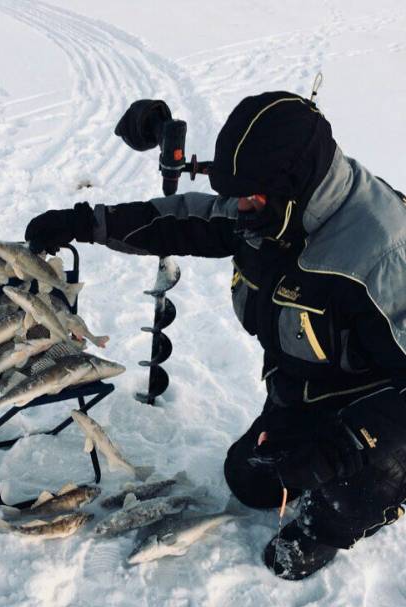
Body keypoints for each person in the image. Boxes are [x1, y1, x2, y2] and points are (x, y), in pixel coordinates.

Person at [24, 90, 406, 580]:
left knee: (354, 483)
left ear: (293, 185)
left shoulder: (379, 251)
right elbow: (184, 221)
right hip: (307, 389)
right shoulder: (269, 208)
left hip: (379, 406)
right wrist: (87, 222)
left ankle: (356, 509)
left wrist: (337, 452)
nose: (238, 207)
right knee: (250, 481)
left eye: (250, 197)